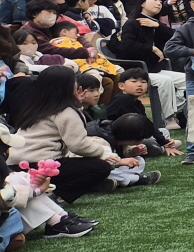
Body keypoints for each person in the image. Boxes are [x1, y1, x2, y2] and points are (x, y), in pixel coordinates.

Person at [5, 67, 143, 208]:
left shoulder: (35, 106)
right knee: (101, 167)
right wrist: (108, 155)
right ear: (67, 86)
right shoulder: (65, 111)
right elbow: (78, 145)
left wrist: (78, 105)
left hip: (15, 165)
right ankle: (57, 195)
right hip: (42, 165)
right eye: (74, 81)